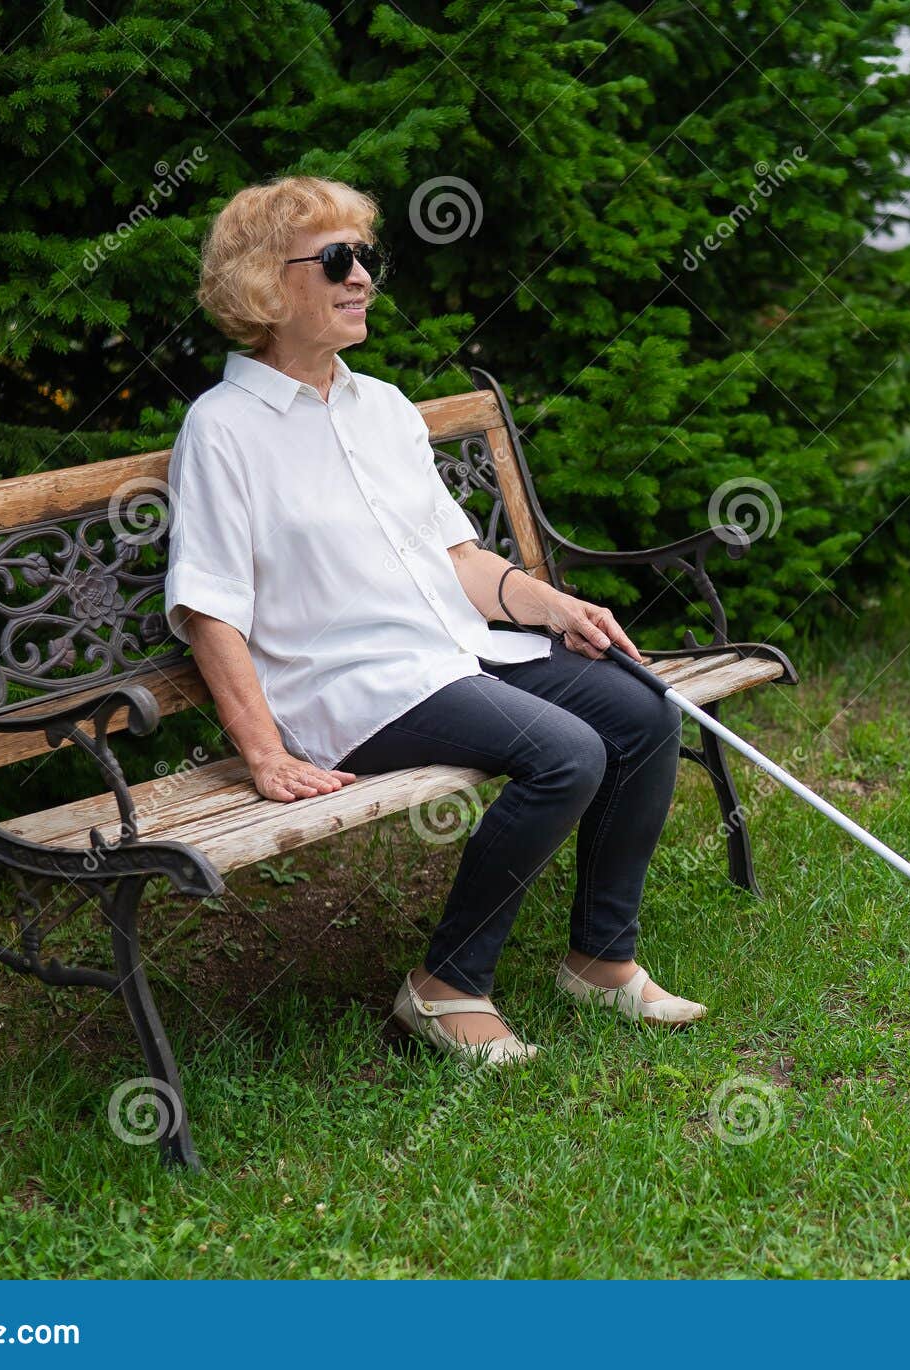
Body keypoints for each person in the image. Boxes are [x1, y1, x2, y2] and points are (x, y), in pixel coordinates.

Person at [164, 176, 706, 1067]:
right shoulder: (222, 430)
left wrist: (552, 605)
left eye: (366, 258)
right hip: (352, 690)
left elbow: (456, 560)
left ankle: (602, 961)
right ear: (265, 282)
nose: (362, 278)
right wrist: (265, 752)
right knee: (565, 752)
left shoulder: (380, 407)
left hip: (454, 652)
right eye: (337, 260)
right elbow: (210, 609)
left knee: (642, 712)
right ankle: (446, 987)